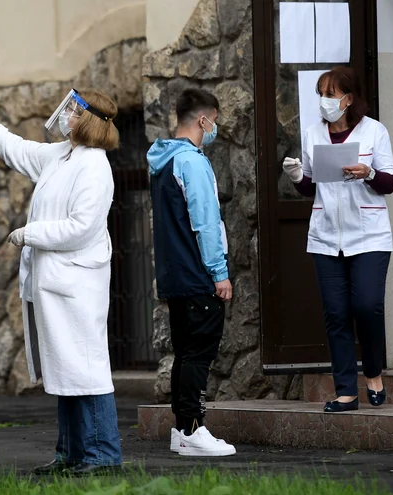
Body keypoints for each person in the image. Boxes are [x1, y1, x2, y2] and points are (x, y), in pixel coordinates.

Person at [0, 88, 123, 476]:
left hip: (77, 285)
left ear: (89, 121)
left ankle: (102, 456)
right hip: (57, 285)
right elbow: (17, 149)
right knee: (65, 370)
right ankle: (72, 454)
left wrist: (32, 233)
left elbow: (80, 228)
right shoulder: (63, 155)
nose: (66, 115)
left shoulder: (94, 167)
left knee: (86, 369)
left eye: (74, 111)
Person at [282, 66, 393, 413]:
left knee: (367, 306)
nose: (324, 101)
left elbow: (390, 183)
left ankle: (373, 371)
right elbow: (310, 187)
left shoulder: (374, 131)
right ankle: (346, 391)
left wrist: (369, 173)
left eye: (330, 95)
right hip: (326, 235)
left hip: (369, 235)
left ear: (348, 99)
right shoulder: (312, 133)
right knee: (336, 313)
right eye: (321, 94)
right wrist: (297, 175)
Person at [147, 88, 236, 457]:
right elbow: (206, 222)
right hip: (198, 275)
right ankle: (193, 429)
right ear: (203, 120)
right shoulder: (193, 162)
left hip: (174, 276)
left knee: (185, 353)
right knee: (198, 354)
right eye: (214, 121)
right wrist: (220, 272)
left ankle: (183, 430)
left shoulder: (162, 161)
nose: (214, 127)